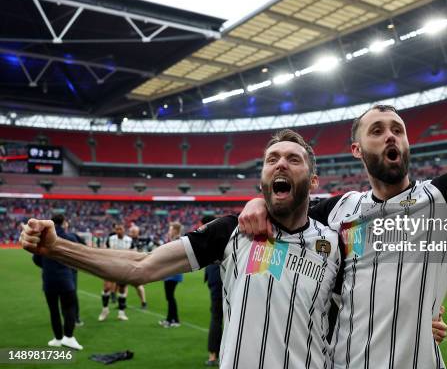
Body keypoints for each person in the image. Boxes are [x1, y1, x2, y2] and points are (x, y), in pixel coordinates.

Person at [237, 8, 447, 368]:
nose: (390, 135)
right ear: (356, 150)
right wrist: (256, 204)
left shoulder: (442, 200)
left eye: (397, 129)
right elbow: (286, 207)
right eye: (377, 130)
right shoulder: (339, 210)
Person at [21, 130, 342, 368]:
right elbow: (141, 266)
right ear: (261, 179)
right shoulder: (231, 232)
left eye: (293, 159)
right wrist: (58, 247)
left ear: (313, 182)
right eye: (272, 159)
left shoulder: (334, 245)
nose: (280, 164)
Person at [32, 213, 83, 350]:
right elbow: (79, 256)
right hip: (66, 278)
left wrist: (48, 267)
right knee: (69, 308)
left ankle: (58, 338)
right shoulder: (70, 237)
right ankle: (69, 338)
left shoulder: (43, 238)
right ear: (64, 222)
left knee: (53, 310)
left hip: (49, 279)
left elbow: (36, 259)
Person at [200, 215, 223, 367]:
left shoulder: (210, 237)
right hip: (227, 281)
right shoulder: (224, 233)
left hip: (217, 280)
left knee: (216, 318)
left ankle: (213, 355)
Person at [98, 223, 132, 321]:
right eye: (117, 229)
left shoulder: (129, 240)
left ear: (124, 230)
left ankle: (121, 313)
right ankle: (105, 310)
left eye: (120, 229)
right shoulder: (111, 239)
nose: (118, 231)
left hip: (124, 268)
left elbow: (134, 253)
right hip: (111, 266)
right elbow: (105, 250)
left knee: (122, 289)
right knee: (107, 287)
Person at [159, 222, 184, 328]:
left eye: (170, 229)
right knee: (169, 297)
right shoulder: (175, 240)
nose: (169, 232)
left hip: (173, 272)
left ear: (175, 230)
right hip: (171, 272)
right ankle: (171, 319)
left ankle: (173, 320)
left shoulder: (178, 240)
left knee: (170, 297)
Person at [128, 223, 148, 308]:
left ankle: (144, 302)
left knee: (138, 285)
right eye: (131, 231)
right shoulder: (128, 240)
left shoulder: (140, 240)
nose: (131, 233)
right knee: (122, 284)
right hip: (129, 264)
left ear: (137, 232)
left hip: (137, 265)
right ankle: (121, 303)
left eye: (133, 231)